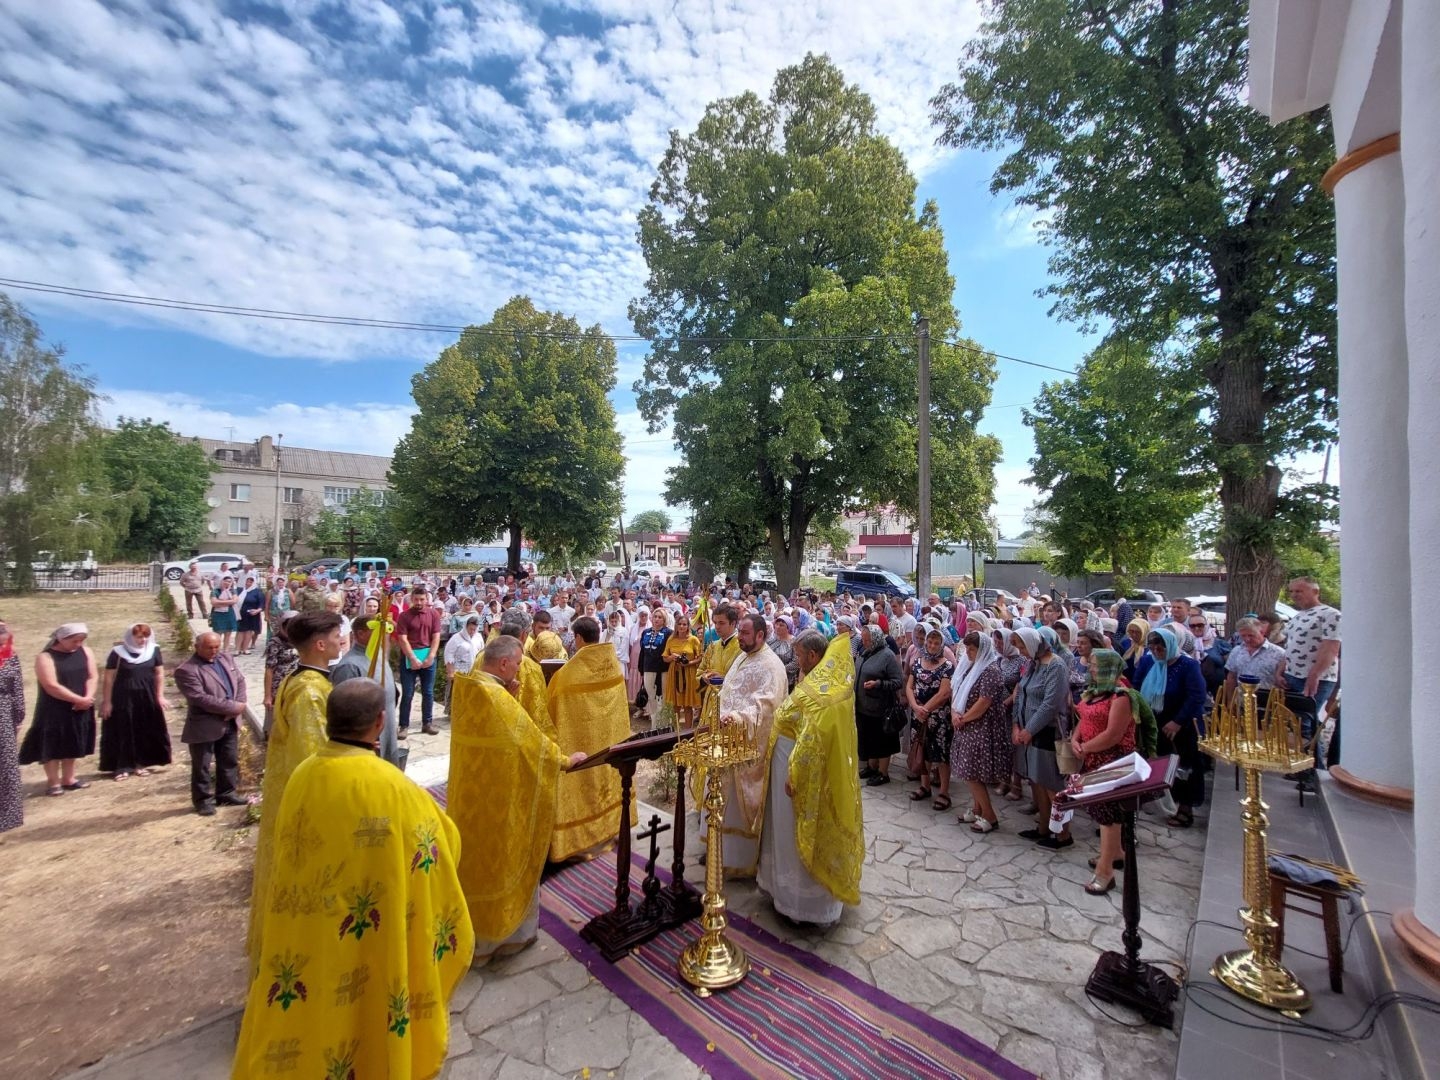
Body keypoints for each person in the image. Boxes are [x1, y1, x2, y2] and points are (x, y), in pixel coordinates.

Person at [231, 679, 474, 1079]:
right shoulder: (391, 786)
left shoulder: (303, 774)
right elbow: (439, 846)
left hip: (310, 935)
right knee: (365, 1020)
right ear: (381, 722)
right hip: (368, 937)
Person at [447, 636, 585, 964]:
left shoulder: (468, 686)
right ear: (505, 664)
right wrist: (566, 761)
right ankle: (505, 939)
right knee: (504, 859)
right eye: (519, 663)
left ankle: (471, 934)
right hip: (501, 798)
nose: (521, 669)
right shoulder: (497, 696)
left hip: (471, 798)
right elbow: (532, 744)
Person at [247, 610, 343, 966]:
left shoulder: (305, 679)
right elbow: (316, 759)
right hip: (306, 803)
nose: (340, 640)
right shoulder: (310, 692)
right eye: (336, 635)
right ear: (320, 644)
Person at [757, 629, 862, 924]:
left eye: (800, 654)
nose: (796, 659)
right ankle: (783, 891)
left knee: (797, 833)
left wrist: (795, 775)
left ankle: (804, 905)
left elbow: (812, 740)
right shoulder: (821, 680)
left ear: (813, 656)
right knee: (783, 830)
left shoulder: (822, 691)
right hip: (787, 766)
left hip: (801, 775)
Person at [702, 612, 789, 876]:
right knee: (719, 797)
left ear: (761, 635)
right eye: (739, 632)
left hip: (744, 742)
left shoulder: (772, 666)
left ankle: (736, 861)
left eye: (745, 633)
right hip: (724, 737)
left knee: (735, 806)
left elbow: (768, 705)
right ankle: (716, 852)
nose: (739, 637)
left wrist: (739, 718)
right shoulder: (743, 654)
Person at [546, 616, 634, 861]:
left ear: (578, 638)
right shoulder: (613, 665)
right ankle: (611, 829)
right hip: (610, 743)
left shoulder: (565, 676)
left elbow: (550, 713)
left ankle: (581, 842)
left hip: (580, 747)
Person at [1070, 650, 1137, 894]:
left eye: (1097, 666)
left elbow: (1113, 734)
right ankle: (1116, 853)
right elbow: (1084, 718)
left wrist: (1085, 747)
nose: (1092, 669)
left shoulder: (1121, 696)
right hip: (1092, 757)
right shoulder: (1096, 690)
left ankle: (1105, 872)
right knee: (1103, 813)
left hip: (1111, 761)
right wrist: (1075, 738)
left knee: (1109, 816)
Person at [1135, 627, 1208, 827]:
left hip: (1182, 724)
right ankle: (1159, 802)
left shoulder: (1187, 665)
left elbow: (1196, 696)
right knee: (1156, 761)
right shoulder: (1149, 661)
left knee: (1184, 767)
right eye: (1154, 646)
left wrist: (1177, 721)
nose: (1157, 650)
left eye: (1161, 647)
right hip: (1153, 720)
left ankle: (1185, 808)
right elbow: (1137, 684)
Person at [173, 631, 247, 815]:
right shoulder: (187, 670)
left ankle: (226, 793)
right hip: (205, 724)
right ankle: (203, 800)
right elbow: (199, 698)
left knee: (229, 759)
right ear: (197, 647)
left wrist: (240, 703)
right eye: (209, 648)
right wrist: (231, 707)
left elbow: (240, 680)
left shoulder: (226, 659)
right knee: (202, 765)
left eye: (217, 647)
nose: (214, 651)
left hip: (230, 722)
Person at [1010, 626, 1072, 848]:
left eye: (1022, 646)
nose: (1021, 651)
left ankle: (1063, 833)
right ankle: (1043, 827)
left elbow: (1050, 704)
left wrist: (1029, 730)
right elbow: (1020, 694)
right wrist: (1017, 725)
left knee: (1052, 785)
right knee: (1036, 781)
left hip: (1046, 732)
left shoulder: (1055, 666)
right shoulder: (1033, 664)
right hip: (1027, 731)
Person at [18, 623, 97, 796]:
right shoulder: (45, 657)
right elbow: (51, 685)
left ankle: (69, 778)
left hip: (81, 705)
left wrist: (87, 698)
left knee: (73, 740)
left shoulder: (86, 652)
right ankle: (53, 782)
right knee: (53, 744)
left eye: (82, 640)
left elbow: (92, 676)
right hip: (54, 708)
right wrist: (77, 699)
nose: (78, 644)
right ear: (61, 639)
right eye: (74, 641)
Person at [1282, 576, 1342, 791]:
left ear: (1315, 591)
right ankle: (1303, 765)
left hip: (1317, 677)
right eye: (1292, 592)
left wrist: (1315, 673)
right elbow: (1289, 646)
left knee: (1306, 721)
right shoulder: (1298, 616)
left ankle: (1312, 772)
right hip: (1293, 675)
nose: (1295, 595)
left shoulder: (1330, 614)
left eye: (1299, 591)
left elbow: (1331, 647)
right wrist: (1281, 669)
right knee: (1296, 722)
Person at [950, 631, 1009, 834]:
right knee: (968, 771)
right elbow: (957, 689)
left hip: (981, 728)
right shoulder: (971, 666)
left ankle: (990, 816)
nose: (968, 653)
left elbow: (984, 702)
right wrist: (955, 714)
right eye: (967, 649)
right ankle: (977, 808)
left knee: (972, 773)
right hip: (966, 725)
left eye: (972, 649)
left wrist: (963, 718)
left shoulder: (990, 671)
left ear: (982, 649)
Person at [98, 623, 171, 780]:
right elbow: (109, 678)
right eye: (139, 637)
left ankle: (140, 763)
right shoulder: (117, 653)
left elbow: (159, 673)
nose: (142, 640)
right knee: (123, 729)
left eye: (145, 636)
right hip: (123, 697)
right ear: (130, 637)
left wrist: (159, 696)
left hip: (146, 696)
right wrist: (107, 701)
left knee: (143, 729)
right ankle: (122, 766)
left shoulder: (154, 650)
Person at [331, 613, 400, 767]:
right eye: (377, 630)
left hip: (386, 725)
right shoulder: (350, 666)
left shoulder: (378, 655)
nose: (382, 634)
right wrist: (361, 736)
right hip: (367, 737)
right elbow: (346, 710)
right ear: (361, 634)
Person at [905, 627, 955, 810]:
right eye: (930, 642)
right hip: (919, 715)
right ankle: (924, 786)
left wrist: (925, 709)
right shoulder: (917, 662)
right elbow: (910, 687)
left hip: (938, 717)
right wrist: (916, 707)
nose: (932, 646)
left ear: (942, 645)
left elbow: (944, 693)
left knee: (941, 755)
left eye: (936, 643)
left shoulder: (947, 666)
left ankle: (944, 792)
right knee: (922, 751)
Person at [854, 624, 902, 788]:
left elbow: (897, 681)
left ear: (876, 639)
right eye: (863, 639)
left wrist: (878, 683)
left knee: (881, 741)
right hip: (863, 706)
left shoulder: (887, 655)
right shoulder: (864, 652)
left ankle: (883, 773)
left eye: (867, 640)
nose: (864, 642)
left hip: (880, 707)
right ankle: (871, 767)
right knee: (868, 739)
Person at [396, 586, 444, 737]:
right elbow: (402, 639)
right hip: (409, 657)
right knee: (408, 693)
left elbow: (436, 636)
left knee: (428, 692)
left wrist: (431, 656)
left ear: (426, 599)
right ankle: (403, 726)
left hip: (428, 655)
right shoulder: (404, 616)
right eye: (416, 599)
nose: (419, 602)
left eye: (422, 599)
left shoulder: (434, 614)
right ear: (411, 599)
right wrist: (412, 658)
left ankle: (427, 723)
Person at [696, 604, 742, 730]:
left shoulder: (742, 647)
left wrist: (725, 677)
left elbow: (745, 677)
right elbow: (700, 671)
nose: (716, 626)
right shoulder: (712, 646)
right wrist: (704, 677)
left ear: (733, 623)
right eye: (715, 622)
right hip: (711, 699)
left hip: (731, 701)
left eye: (721, 623)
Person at [0, 621, 25, 832]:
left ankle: (7, 816)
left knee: (6, 762)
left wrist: (18, 717)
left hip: (4, 714)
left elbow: (17, 687)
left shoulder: (10, 656)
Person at [1223, 615, 1287, 697]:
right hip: (1241, 703)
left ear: (1262, 632)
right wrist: (1230, 701)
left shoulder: (1279, 653)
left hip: (1268, 703)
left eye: (1251, 635)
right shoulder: (1237, 651)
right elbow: (1231, 677)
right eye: (1243, 636)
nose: (1247, 639)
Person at [663, 612, 702, 727]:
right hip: (674, 673)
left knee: (687, 705)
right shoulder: (671, 639)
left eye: (684, 624)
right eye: (679, 624)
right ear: (676, 626)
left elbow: (700, 658)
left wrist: (689, 663)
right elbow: (665, 658)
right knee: (675, 704)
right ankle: (675, 732)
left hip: (689, 673)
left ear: (688, 626)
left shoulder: (693, 639)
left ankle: (687, 732)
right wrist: (672, 657)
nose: (682, 626)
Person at [637, 608, 672, 728]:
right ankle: (654, 725)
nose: (657, 619)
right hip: (648, 667)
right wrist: (641, 668)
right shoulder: (646, 632)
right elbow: (643, 652)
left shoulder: (668, 633)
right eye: (655, 616)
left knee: (662, 697)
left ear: (664, 620)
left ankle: (664, 724)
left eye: (660, 617)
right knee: (651, 697)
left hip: (663, 669)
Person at [444, 613, 484, 681]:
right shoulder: (456, 638)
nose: (472, 631)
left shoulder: (478, 637)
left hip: (474, 672)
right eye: (470, 629)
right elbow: (449, 654)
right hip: (459, 672)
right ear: (465, 627)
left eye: (474, 629)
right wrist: (450, 672)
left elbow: (482, 653)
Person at [209, 574, 240, 653]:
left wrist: (221, 602)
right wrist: (228, 602)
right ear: (222, 581)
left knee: (228, 632)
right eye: (225, 581)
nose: (227, 583)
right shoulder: (215, 591)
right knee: (218, 632)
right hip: (218, 614)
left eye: (229, 582)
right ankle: (217, 650)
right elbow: (214, 602)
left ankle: (226, 650)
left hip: (229, 613)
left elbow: (235, 601)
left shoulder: (232, 591)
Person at [236, 575, 265, 655]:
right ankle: (238, 648)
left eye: (251, 581)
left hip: (252, 614)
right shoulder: (240, 590)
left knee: (249, 631)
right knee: (240, 631)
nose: (248, 583)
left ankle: (245, 648)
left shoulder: (257, 592)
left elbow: (261, 604)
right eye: (247, 581)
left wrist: (257, 610)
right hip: (241, 614)